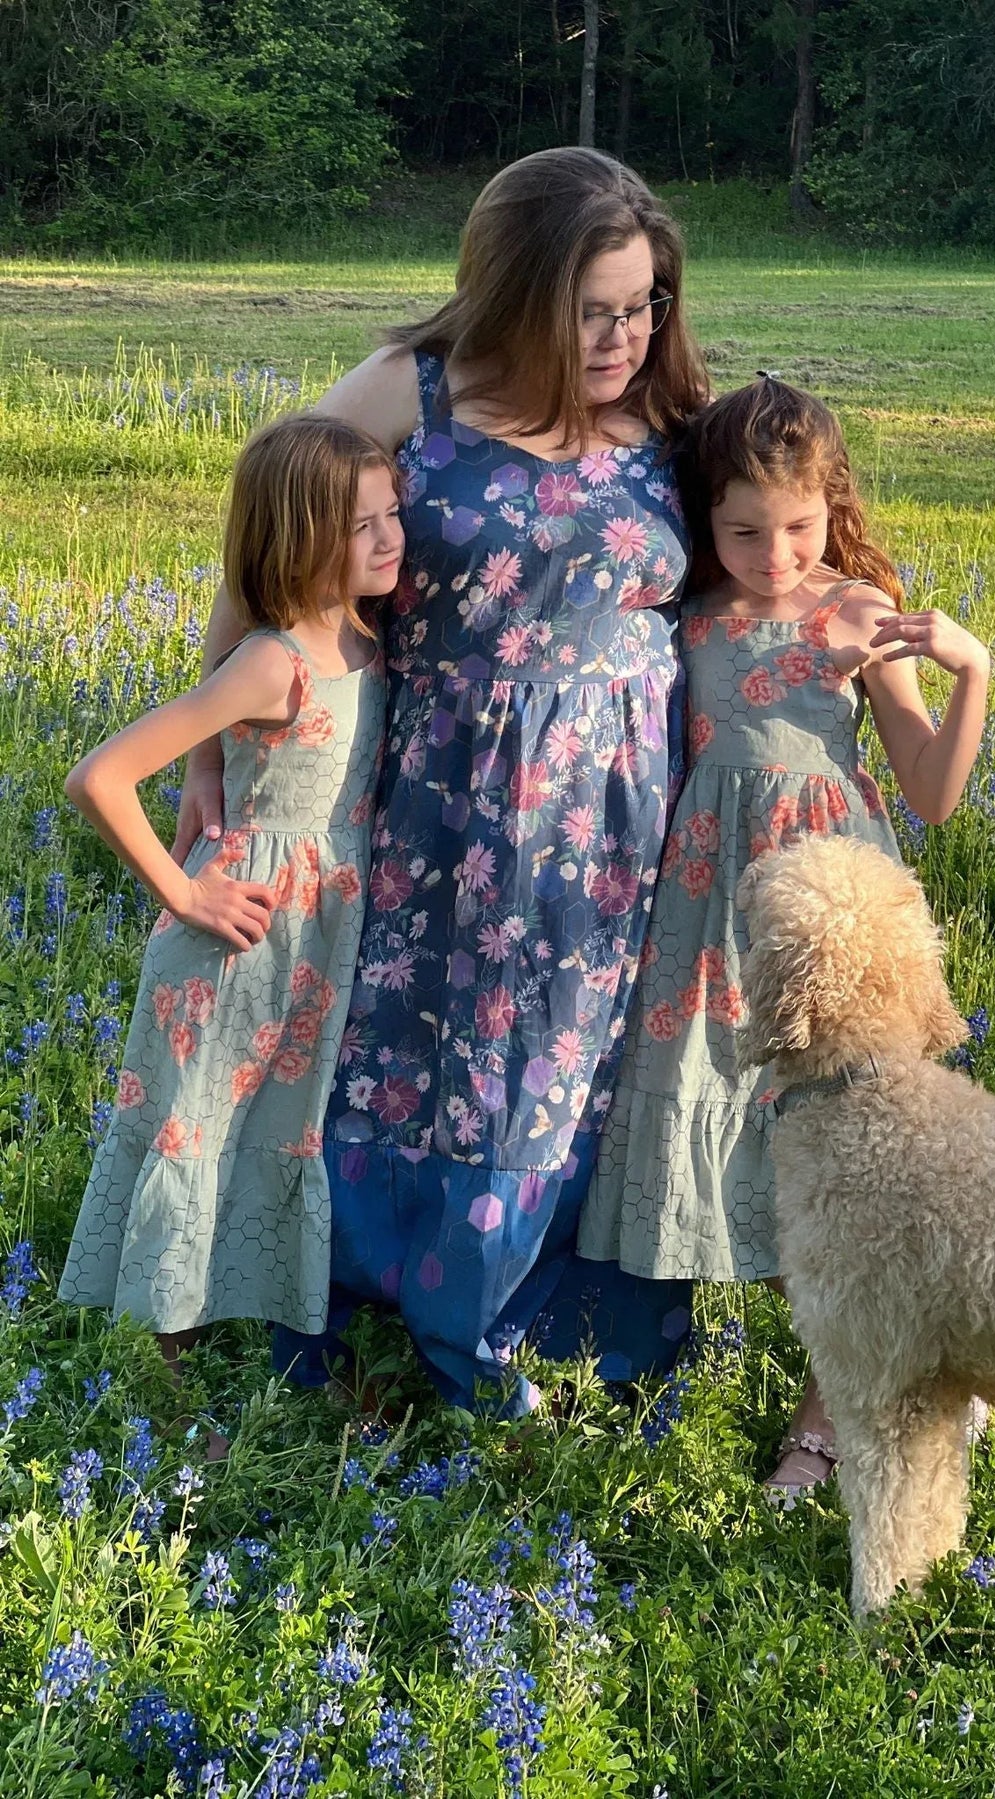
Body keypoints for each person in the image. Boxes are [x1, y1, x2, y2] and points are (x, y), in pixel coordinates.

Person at [171, 149, 710, 1416]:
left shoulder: (674, 417)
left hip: (617, 822)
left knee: (570, 1060)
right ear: (516, 290)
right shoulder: (411, 388)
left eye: (644, 306)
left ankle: (561, 1316)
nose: (624, 335)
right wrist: (208, 754)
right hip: (439, 798)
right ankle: (377, 1299)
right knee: (410, 1048)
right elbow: (262, 554)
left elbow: (785, 544)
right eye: (594, 310)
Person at [577, 375, 991, 1500]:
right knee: (723, 1132)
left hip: (827, 910)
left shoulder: (858, 614)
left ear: (831, 504)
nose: (775, 552)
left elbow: (932, 790)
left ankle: (831, 1422)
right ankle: (653, 1368)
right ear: (707, 520)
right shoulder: (693, 617)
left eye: (799, 525)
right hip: (708, 911)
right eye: (744, 529)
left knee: (837, 1146)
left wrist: (975, 675)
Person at [58, 415, 396, 1384]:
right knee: (192, 1125)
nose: (390, 537)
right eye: (362, 524)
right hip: (240, 931)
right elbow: (101, 776)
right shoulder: (272, 660)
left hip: (319, 930)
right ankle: (165, 1375)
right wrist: (183, 890)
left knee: (274, 1127)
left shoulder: (367, 636)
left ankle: (265, 1326)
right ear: (298, 540)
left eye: (392, 514)